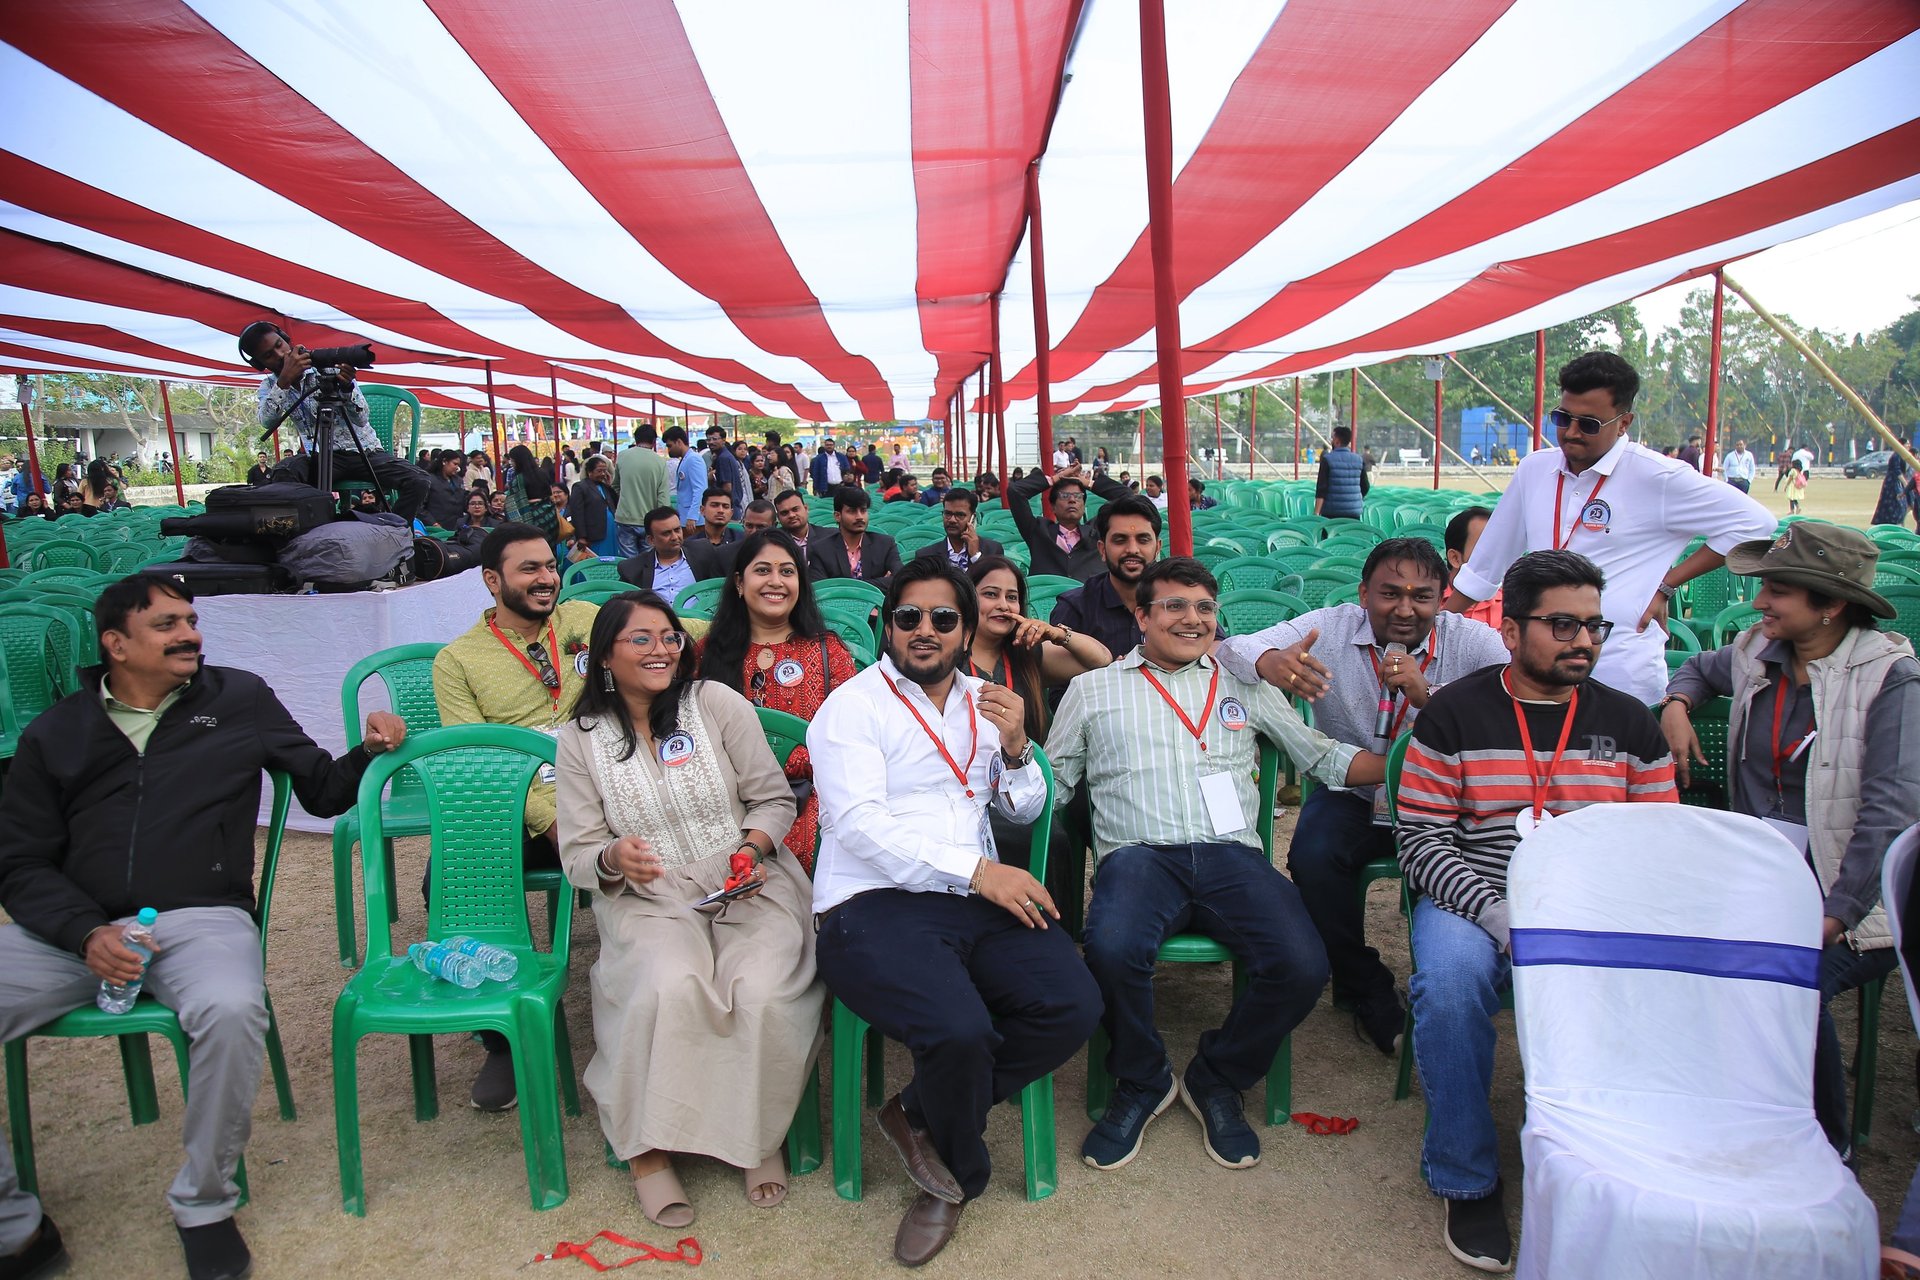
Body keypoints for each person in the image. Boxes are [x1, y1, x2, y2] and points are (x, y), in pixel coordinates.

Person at [0, 575, 405, 1280]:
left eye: (191, 619)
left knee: (231, 1008)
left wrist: (369, 748)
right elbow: (19, 861)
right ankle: (17, 1226)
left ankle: (204, 1202)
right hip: (72, 930)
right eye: (166, 624)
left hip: (199, 916)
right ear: (115, 644)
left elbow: (320, 788)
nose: (189, 634)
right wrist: (85, 932)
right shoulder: (56, 732)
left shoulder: (238, 698)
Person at [808, 558, 1103, 1266]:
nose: (925, 630)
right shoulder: (852, 707)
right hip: (872, 901)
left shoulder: (988, 700)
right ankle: (955, 1178)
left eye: (943, 618)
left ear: (966, 631)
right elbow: (859, 827)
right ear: (886, 625)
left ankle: (919, 1110)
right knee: (959, 1029)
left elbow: (1024, 811)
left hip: (973, 896)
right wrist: (976, 871)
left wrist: (1018, 747)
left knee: (1074, 1003)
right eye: (908, 616)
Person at [1051, 558, 1386, 1173]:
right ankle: (1143, 1078)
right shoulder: (1092, 690)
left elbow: (1320, 757)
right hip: (1139, 857)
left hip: (1231, 856)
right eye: (1175, 606)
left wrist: (1410, 762)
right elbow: (1055, 784)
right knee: (1111, 949)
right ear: (1141, 616)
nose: (1193, 618)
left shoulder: (1244, 685)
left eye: (1204, 607)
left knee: (1304, 963)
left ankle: (1218, 1075)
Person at [1397, 549, 1677, 1272]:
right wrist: (1499, 917)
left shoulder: (1631, 723)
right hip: (1475, 897)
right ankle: (1466, 1176)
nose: (1583, 641)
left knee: (1650, 986)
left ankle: (1602, 1160)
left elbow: (1657, 844)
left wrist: (1596, 915)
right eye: (1563, 625)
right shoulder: (1454, 713)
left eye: (1594, 626)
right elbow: (1422, 842)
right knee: (1450, 986)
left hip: (1593, 904)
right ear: (1512, 631)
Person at [555, 590, 820, 1227]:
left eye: (669, 636)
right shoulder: (579, 740)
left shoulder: (716, 703)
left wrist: (750, 850)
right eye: (641, 639)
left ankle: (755, 1133)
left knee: (760, 988)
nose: (661, 650)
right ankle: (648, 1150)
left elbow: (774, 800)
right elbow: (578, 854)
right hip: (649, 896)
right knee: (667, 986)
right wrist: (615, 857)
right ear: (605, 656)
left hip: (746, 878)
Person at [1661, 523, 1919, 1156]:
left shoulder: (1891, 679)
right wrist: (1677, 704)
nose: (1759, 602)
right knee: (1669, 947)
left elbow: (1889, 814)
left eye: (1777, 591)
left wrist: (1834, 915)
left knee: (1787, 979)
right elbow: (1697, 667)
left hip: (1857, 902)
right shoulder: (1757, 651)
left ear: (1831, 606)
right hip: (1763, 883)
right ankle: (1726, 1105)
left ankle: (1824, 1146)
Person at [1216, 537, 1509, 1054]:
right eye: (1389, 593)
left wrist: (1430, 697)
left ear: (1442, 599)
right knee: (1312, 857)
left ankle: (1455, 980)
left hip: (1446, 802)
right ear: (1364, 594)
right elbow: (1230, 648)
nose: (1405, 609)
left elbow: (1509, 702)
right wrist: (1269, 661)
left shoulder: (1472, 640)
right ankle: (1364, 983)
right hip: (1354, 790)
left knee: (1460, 874)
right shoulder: (1331, 627)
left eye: (1421, 596)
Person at [1444, 352, 1775, 706]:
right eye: (1562, 418)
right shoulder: (1534, 470)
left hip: (1620, 670)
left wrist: (1667, 584)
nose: (1571, 432)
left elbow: (1757, 523)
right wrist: (1436, 631)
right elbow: (1484, 568)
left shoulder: (1657, 477)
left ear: (1623, 423)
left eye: (1588, 424)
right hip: (1539, 671)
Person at [432, 524, 600, 1111]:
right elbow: (478, 760)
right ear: (491, 580)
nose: (547, 578)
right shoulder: (458, 661)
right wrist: (550, 820)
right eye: (529, 568)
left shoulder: (581, 620)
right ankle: (500, 1036)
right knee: (452, 875)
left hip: (604, 785)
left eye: (550, 565)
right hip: (518, 802)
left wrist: (762, 616)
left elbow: (671, 631)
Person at [696, 530, 860, 872]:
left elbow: (849, 740)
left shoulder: (829, 652)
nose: (776, 581)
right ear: (739, 583)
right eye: (762, 570)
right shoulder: (706, 653)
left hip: (810, 800)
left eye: (787, 571)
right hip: (728, 802)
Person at [238, 321, 429, 521]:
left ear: (286, 340)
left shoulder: (326, 367)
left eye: (279, 345)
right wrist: (284, 382)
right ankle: (314, 529)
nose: (280, 355)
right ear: (260, 363)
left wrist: (347, 388)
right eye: (269, 355)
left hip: (364, 452)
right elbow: (266, 421)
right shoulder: (270, 385)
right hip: (319, 457)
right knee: (284, 472)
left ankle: (393, 530)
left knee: (419, 480)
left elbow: (361, 418)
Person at [1049, 496, 1167, 659]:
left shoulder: (1176, 601)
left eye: (1143, 540)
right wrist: (1109, 671)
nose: (1132, 549)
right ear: (1102, 549)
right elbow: (1056, 669)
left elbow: (1204, 647)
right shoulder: (1075, 608)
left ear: (1157, 548)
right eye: (1120, 540)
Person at [1006, 463, 1126, 582]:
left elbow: (1127, 497)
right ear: (1053, 507)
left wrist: (1087, 483)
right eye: (1064, 496)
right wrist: (1056, 478)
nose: (1072, 500)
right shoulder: (1038, 532)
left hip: (1091, 594)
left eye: (1078, 496)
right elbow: (1015, 491)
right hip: (1048, 594)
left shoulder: (1097, 531)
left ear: (1084, 506)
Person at [618, 507, 733, 600]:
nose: (674, 537)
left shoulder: (702, 551)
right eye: (666, 533)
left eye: (677, 530)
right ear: (651, 540)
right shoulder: (632, 569)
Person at [806, 485, 901, 589]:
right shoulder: (820, 550)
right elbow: (819, 588)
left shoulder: (885, 544)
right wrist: (880, 582)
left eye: (863, 510)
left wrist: (843, 585)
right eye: (852, 511)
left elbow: (900, 579)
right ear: (837, 516)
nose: (859, 517)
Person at [614, 424, 674, 559]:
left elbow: (615, 485)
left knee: (628, 561)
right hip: (649, 521)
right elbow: (663, 496)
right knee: (649, 560)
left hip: (625, 518)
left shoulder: (622, 456)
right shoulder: (660, 462)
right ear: (653, 441)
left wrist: (626, 496)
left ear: (635, 439)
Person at [1443, 507, 1504, 631]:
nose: (1495, 556)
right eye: (1484, 548)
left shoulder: (1511, 605)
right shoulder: (1428, 601)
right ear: (1455, 558)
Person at [914, 487, 1003, 571]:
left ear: (972, 518)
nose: (952, 520)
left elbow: (994, 580)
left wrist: (975, 556)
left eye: (960, 515)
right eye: (948, 514)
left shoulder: (992, 550)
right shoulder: (926, 556)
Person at [503, 445, 558, 543]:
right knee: (548, 547)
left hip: (531, 519)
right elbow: (550, 494)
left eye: (512, 461)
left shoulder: (518, 480)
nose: (512, 464)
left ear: (518, 461)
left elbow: (511, 504)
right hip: (550, 517)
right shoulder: (543, 473)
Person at [570, 453, 621, 560]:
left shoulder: (605, 487)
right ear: (590, 471)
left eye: (604, 471)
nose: (603, 474)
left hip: (610, 530)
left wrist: (609, 485)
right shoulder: (580, 487)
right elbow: (577, 513)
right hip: (594, 534)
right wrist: (581, 536)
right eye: (599, 471)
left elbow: (615, 503)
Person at [1315, 425, 1368, 518]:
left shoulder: (1327, 459)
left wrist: (1316, 513)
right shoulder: (1359, 459)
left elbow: (1321, 489)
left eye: (1332, 438)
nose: (1331, 441)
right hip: (1353, 512)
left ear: (1337, 441)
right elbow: (1365, 486)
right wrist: (1355, 499)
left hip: (1331, 512)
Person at [661, 427, 707, 527]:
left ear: (678, 442)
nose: (669, 450)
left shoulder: (693, 459)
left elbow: (700, 489)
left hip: (693, 519)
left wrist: (693, 515)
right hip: (685, 516)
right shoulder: (685, 459)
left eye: (670, 446)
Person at [704, 424, 750, 504]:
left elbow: (727, 488)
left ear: (723, 440)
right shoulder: (726, 455)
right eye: (708, 439)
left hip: (727, 505)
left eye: (715, 439)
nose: (711, 442)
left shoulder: (723, 458)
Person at [692, 489, 742, 555]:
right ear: (702, 510)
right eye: (714, 505)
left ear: (731, 513)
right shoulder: (691, 544)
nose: (721, 510)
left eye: (725, 507)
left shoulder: (741, 540)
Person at [772, 488, 819, 553]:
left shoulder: (827, 537)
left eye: (795, 509)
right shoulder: (773, 542)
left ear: (806, 509)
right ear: (778, 517)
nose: (791, 515)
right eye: (785, 513)